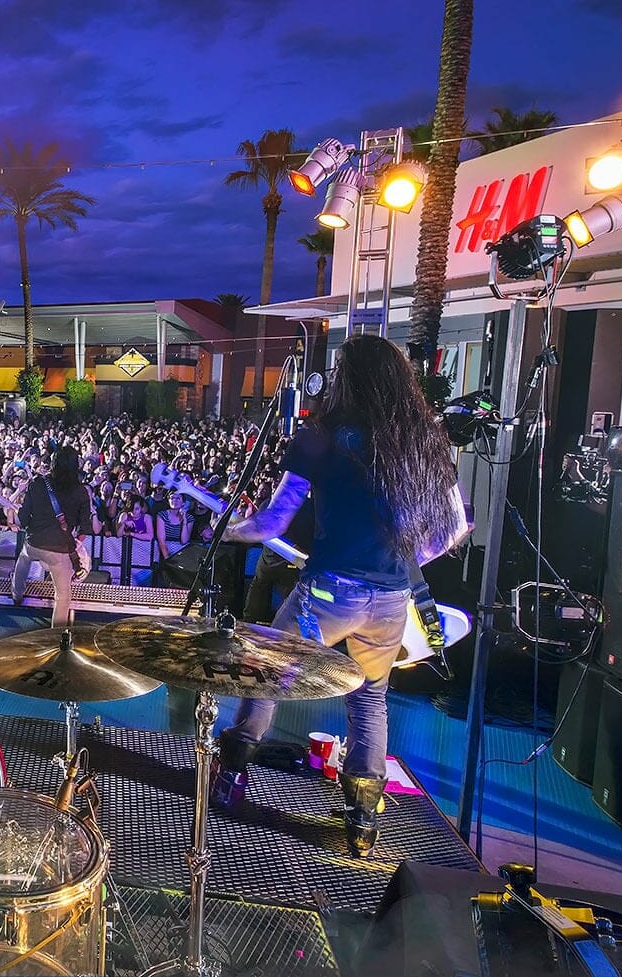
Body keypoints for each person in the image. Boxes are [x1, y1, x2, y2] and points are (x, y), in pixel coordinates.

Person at [216, 335, 467, 856]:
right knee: (370, 700)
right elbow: (455, 529)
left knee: (268, 671)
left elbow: (273, 521)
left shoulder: (320, 435)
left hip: (330, 592)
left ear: (344, 378)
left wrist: (227, 529)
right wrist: (399, 562)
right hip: (392, 599)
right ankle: (362, 819)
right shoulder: (424, 437)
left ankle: (232, 777)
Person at [12, 445, 93, 628]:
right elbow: (85, 528)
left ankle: (17, 594)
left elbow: (22, 519)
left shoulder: (37, 483)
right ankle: (56, 636)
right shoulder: (81, 491)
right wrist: (74, 545)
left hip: (34, 542)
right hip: (59, 550)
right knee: (63, 596)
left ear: (53, 463)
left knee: (24, 558)